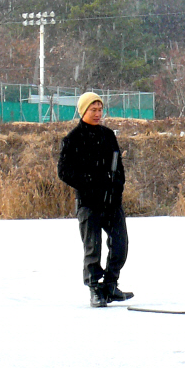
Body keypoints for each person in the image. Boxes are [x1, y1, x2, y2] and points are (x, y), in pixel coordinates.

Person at [57, 92, 134, 308]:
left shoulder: (108, 135)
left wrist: (116, 189)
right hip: (89, 203)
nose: (98, 113)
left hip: (112, 202)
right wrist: (89, 182)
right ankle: (94, 289)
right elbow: (64, 171)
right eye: (93, 110)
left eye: (100, 109)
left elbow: (119, 168)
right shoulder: (72, 139)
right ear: (83, 111)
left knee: (120, 244)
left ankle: (110, 284)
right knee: (93, 248)